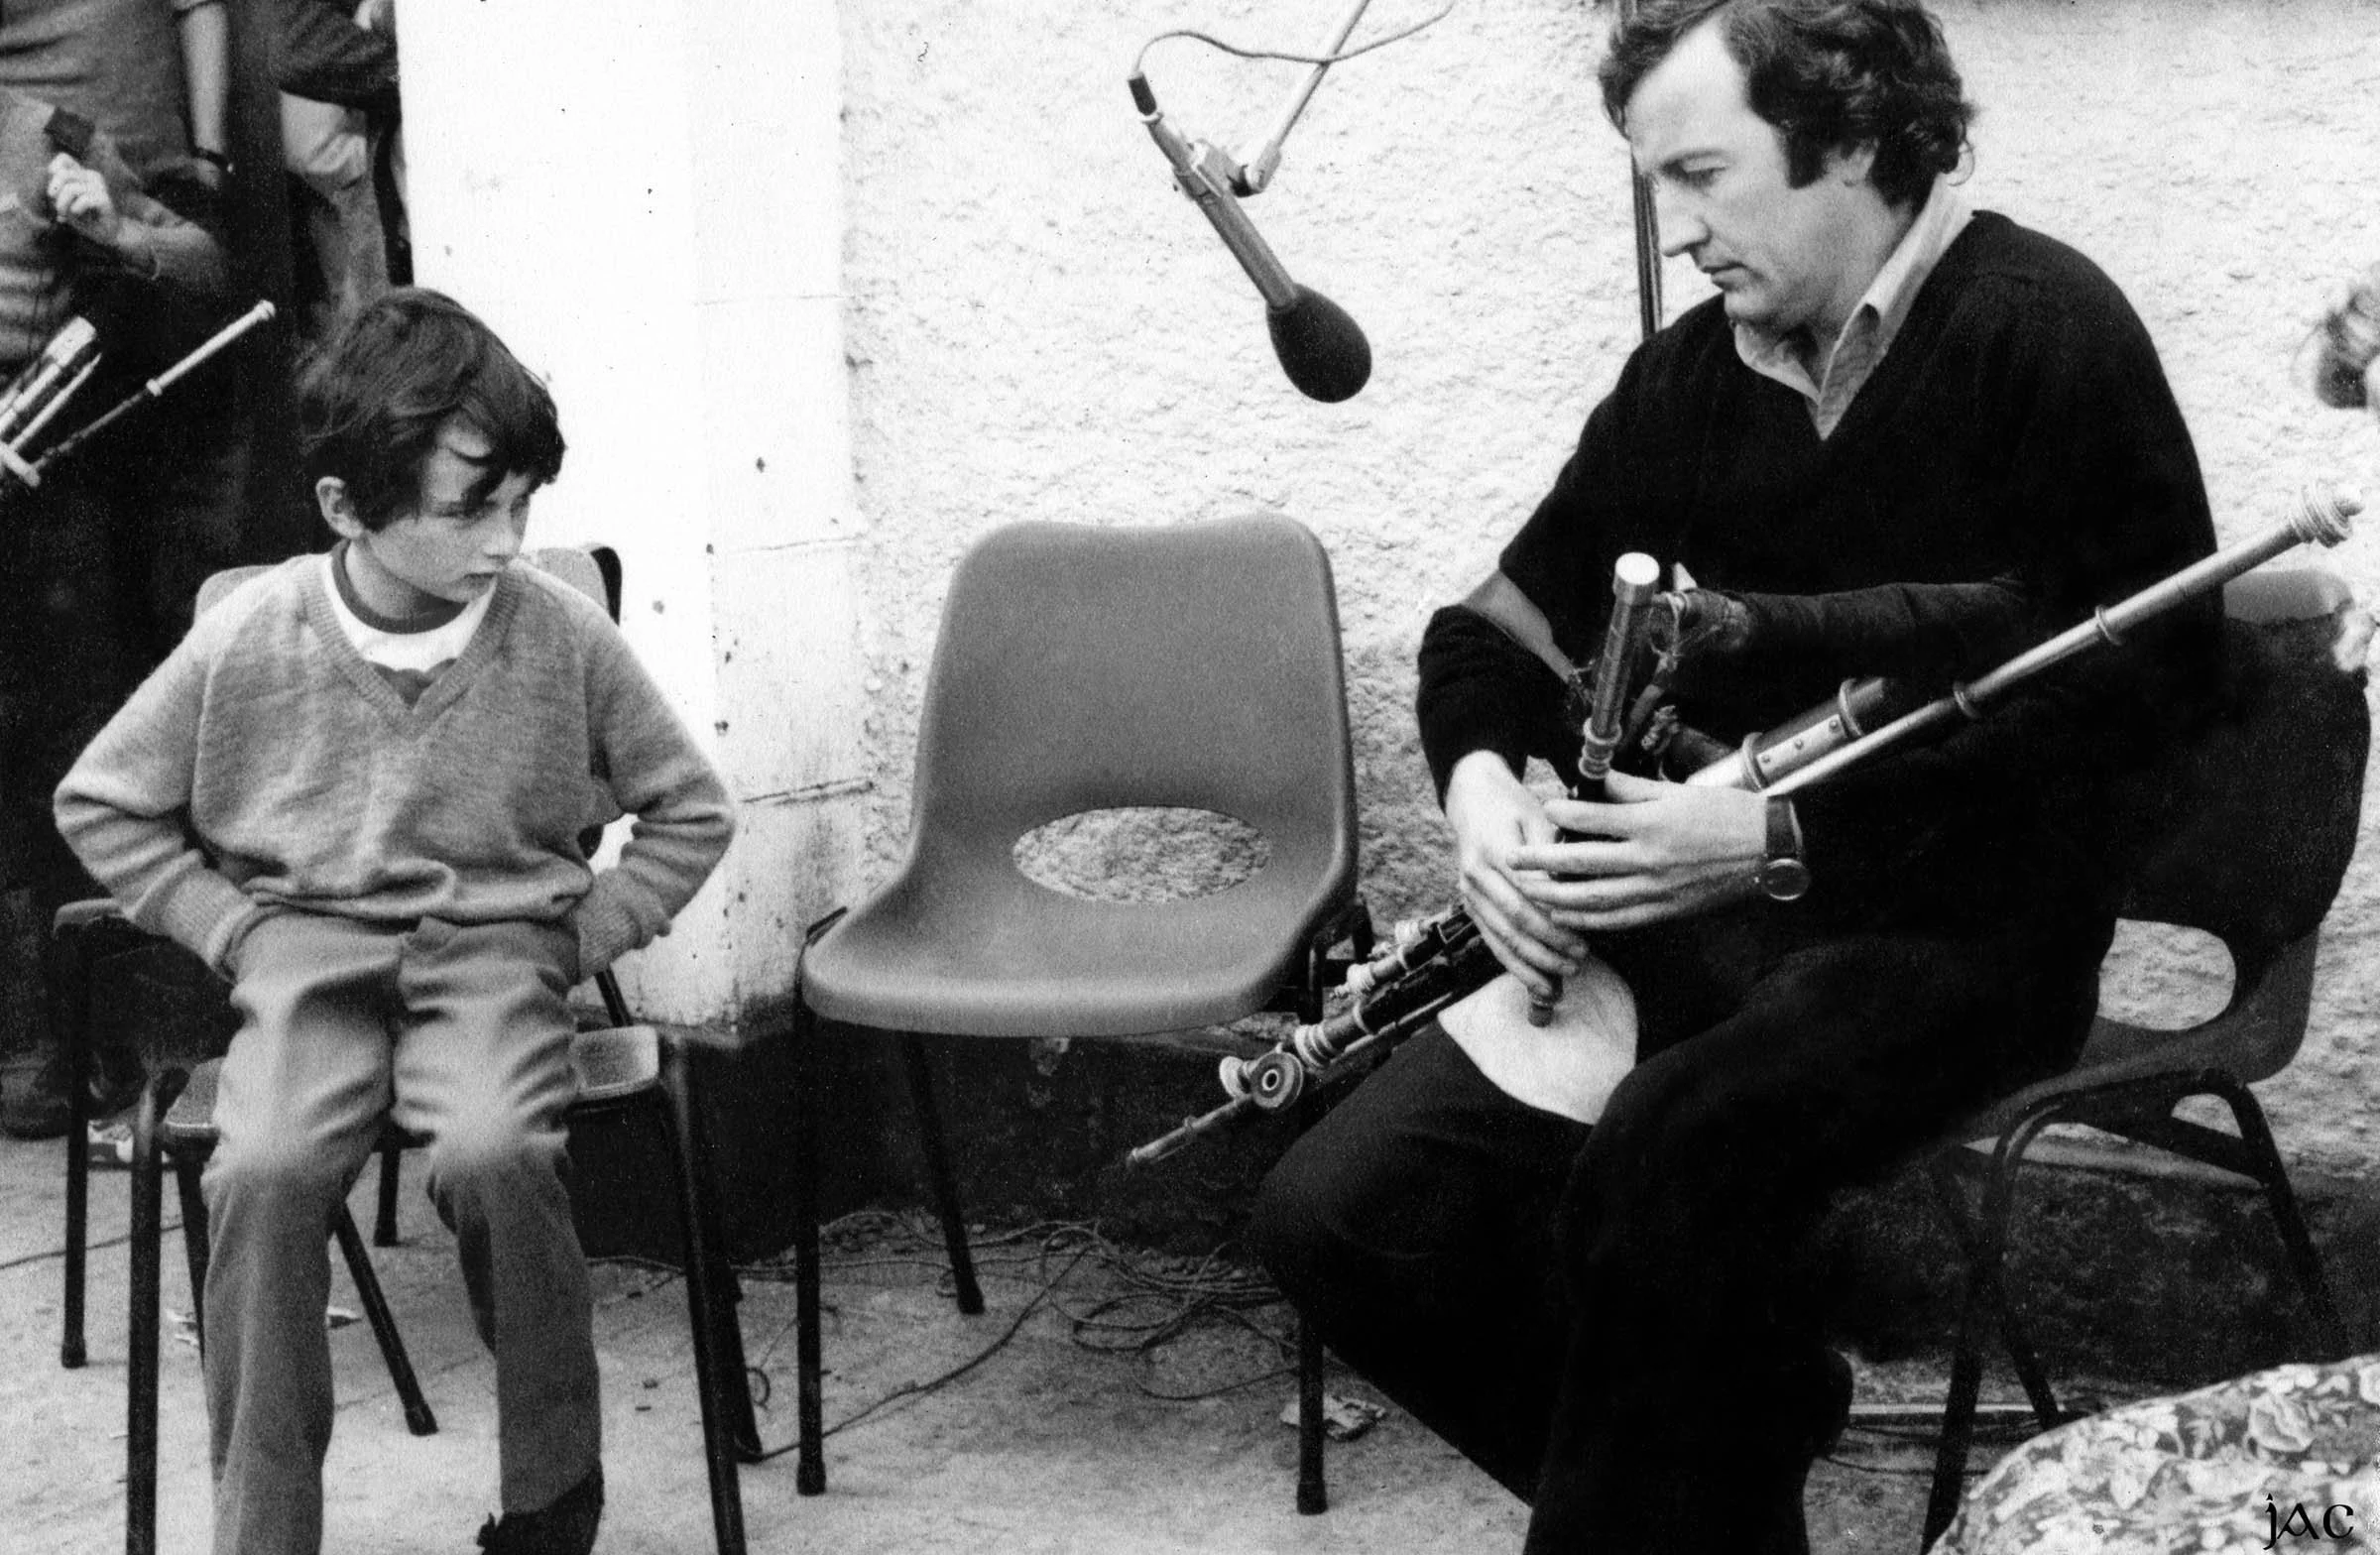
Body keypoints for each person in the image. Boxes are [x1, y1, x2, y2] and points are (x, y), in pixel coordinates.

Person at [1249, 2, 2221, 1551]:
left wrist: (1777, 838)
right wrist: (1487, 797)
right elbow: (1489, 633)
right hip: (1705, 923)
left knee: (1672, 1158)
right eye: (1659, 186)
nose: (1680, 229)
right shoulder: (1691, 378)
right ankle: (1740, 1471)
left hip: (1963, 940)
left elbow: (2153, 714)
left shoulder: (2047, 330)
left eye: (1704, 175)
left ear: (1847, 135)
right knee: (1338, 1216)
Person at [53, 288, 736, 1555]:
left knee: (495, 1151)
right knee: (260, 1170)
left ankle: (548, 1495)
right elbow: (101, 801)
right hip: (302, 959)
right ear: (345, 507)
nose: (506, 536)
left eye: (522, 501)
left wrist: (575, 939)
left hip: (496, 957)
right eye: (471, 506)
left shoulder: (559, 630)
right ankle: (264, 1529)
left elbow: (691, 809)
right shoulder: (256, 633)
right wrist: (228, 928)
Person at [0, 72, 226, 1139]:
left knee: (60, 768)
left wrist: (109, 226)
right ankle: (26, 1042)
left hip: (40, 493)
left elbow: (203, 266)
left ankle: (87, 1054)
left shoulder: (53, 132)